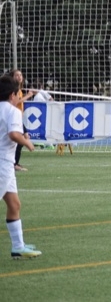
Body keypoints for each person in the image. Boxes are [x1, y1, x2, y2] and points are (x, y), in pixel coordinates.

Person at [0, 74, 41, 259]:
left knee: (14, 204)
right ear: (12, 95)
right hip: (3, 163)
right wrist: (28, 143)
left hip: (6, 163)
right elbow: (14, 134)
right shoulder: (13, 111)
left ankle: (18, 246)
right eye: (18, 94)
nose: (19, 97)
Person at [10, 70, 35, 172]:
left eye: (20, 75)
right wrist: (28, 96)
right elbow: (15, 102)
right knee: (21, 139)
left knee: (24, 137)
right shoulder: (13, 90)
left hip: (18, 118)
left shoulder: (19, 90)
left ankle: (15, 162)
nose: (19, 77)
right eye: (16, 75)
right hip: (13, 117)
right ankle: (14, 163)